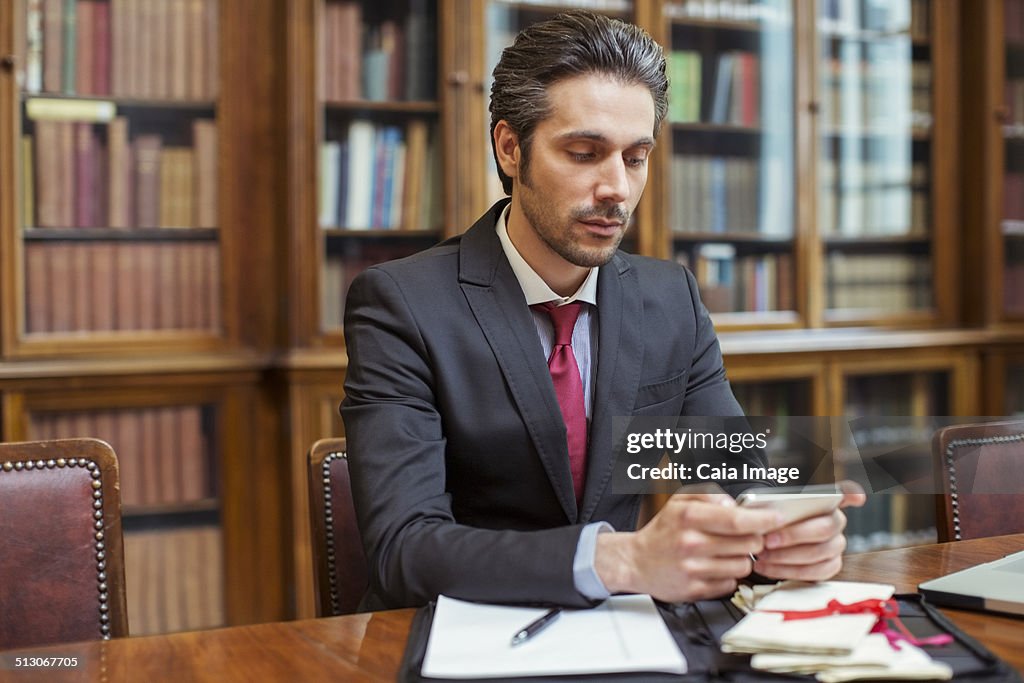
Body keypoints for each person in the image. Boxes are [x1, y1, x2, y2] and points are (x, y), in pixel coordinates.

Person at [340, 10, 863, 611]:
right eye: (585, 153)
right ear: (511, 149)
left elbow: (743, 478)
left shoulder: (671, 298)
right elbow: (403, 549)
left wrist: (788, 533)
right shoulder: (401, 304)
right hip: (458, 637)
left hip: (627, 637)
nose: (616, 187)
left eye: (635, 158)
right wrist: (624, 558)